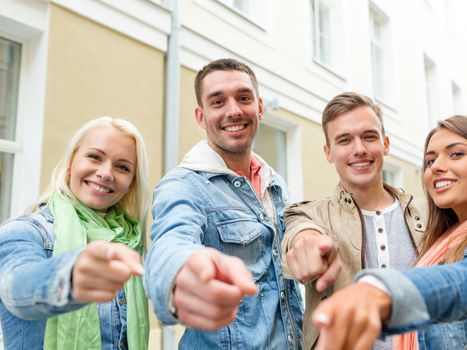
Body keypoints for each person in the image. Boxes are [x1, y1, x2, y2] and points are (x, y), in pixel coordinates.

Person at [312, 115, 467, 350]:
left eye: (456, 154)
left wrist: (376, 292)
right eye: (430, 160)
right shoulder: (441, 243)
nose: (437, 167)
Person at [144, 58, 303, 349]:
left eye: (243, 98)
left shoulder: (274, 182)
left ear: (260, 107)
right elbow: (169, 244)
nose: (233, 111)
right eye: (217, 102)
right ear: (201, 116)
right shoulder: (182, 185)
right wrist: (182, 275)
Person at [281, 92, 427, 349]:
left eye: (369, 136)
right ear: (328, 151)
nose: (359, 149)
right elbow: (300, 234)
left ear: (386, 143)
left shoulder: (427, 213)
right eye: (345, 140)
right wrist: (309, 245)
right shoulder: (308, 214)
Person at [0, 117, 150, 350]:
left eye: (122, 167)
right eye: (95, 157)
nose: (106, 173)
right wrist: (71, 275)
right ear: (71, 163)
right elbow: (16, 289)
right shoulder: (25, 231)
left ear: (130, 183)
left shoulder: (129, 241)